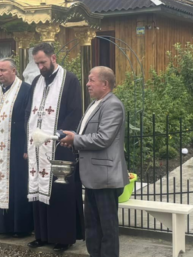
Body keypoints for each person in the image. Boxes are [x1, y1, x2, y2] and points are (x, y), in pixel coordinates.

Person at [60, 66, 128, 257]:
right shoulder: (95, 104)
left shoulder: (112, 105)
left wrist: (75, 139)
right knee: (92, 227)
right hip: (92, 176)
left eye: (91, 80)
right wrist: (73, 141)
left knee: (107, 229)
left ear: (105, 84)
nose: (87, 84)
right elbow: (87, 136)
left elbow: (103, 138)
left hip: (105, 178)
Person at [26, 43, 85, 252]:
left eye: (43, 62)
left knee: (60, 191)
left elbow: (75, 110)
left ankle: (62, 237)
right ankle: (42, 234)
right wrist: (30, 140)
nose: (40, 67)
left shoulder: (69, 79)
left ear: (53, 58)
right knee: (39, 187)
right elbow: (29, 112)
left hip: (60, 144)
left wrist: (60, 135)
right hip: (37, 147)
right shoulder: (36, 81)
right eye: (37, 63)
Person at [0, 58, 34, 236]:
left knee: (16, 187)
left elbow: (30, 120)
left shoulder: (26, 90)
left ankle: (18, 227)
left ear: (14, 71)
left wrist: (27, 148)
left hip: (16, 149)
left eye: (3, 70)